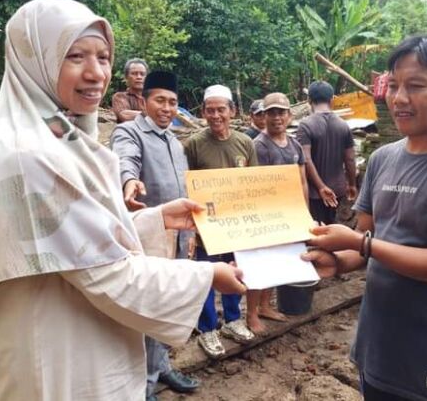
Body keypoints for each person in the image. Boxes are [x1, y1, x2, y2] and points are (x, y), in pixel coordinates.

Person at [0, 0, 246, 401]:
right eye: (75, 56)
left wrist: (156, 219)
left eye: (104, 57)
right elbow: (103, 270)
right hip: (48, 357)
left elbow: (69, 242)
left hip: (74, 331)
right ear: (33, 58)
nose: (96, 73)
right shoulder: (28, 156)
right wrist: (206, 276)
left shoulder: (60, 137)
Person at [302, 35, 427, 400]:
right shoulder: (384, 158)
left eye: (415, 86)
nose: (398, 98)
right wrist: (335, 261)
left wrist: (358, 243)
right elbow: (366, 242)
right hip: (378, 352)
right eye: (393, 85)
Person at [110, 71, 199, 399]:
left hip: (176, 237)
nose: (167, 108)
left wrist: (189, 237)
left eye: (173, 102)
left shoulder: (176, 142)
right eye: (160, 100)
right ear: (144, 101)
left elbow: (185, 187)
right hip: (145, 236)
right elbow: (125, 161)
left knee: (166, 304)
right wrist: (128, 181)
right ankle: (143, 385)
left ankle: (161, 366)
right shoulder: (128, 131)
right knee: (145, 308)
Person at [185, 84, 257, 357]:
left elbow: (253, 184)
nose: (216, 116)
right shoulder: (193, 144)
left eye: (221, 110)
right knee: (206, 277)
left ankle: (233, 320)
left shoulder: (245, 143)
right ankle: (208, 329)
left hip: (236, 226)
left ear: (232, 111)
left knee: (235, 271)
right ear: (203, 112)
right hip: (206, 227)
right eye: (210, 110)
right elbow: (187, 185)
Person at [246, 92, 308, 335]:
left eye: (281, 112)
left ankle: (265, 305)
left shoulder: (294, 145)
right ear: (264, 116)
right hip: (266, 217)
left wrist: (303, 213)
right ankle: (251, 313)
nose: (276, 117)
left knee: (277, 262)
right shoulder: (258, 146)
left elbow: (302, 181)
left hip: (288, 216)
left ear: (290, 115)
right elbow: (254, 185)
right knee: (258, 265)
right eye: (271, 112)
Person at [296, 80, 357, 225]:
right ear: (332, 99)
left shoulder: (305, 125)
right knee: (334, 228)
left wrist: (321, 187)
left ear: (309, 100)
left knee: (317, 231)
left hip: (314, 194)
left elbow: (306, 159)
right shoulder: (343, 125)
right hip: (338, 191)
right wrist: (352, 184)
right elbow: (350, 159)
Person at [111, 58, 148, 123]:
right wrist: (154, 115)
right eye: (134, 73)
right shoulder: (120, 96)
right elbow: (124, 115)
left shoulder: (152, 98)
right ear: (126, 77)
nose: (139, 77)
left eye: (142, 74)